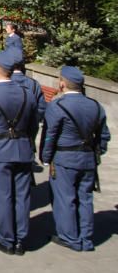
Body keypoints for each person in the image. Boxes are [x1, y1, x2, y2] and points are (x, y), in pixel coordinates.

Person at [39, 65, 111, 252]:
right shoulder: (96, 106)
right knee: (85, 198)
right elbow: (103, 136)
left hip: (64, 157)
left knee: (65, 198)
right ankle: (86, 238)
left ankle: (69, 237)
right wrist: (97, 152)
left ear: (62, 84)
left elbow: (50, 135)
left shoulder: (58, 106)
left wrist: (46, 157)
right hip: (87, 158)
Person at [0, 48, 38, 255]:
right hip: (23, 148)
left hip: (0, 150)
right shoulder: (27, 94)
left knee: (3, 196)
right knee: (22, 196)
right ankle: (21, 238)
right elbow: (33, 125)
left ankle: (6, 238)